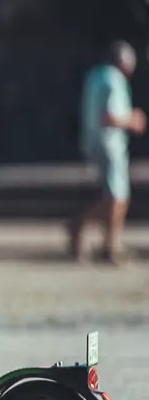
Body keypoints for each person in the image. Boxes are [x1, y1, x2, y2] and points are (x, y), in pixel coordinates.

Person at [67, 40, 146, 264]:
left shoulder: (95, 75)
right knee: (118, 197)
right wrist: (133, 120)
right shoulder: (114, 79)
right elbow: (109, 116)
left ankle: (104, 239)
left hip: (93, 141)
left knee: (114, 196)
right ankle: (104, 240)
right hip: (110, 144)